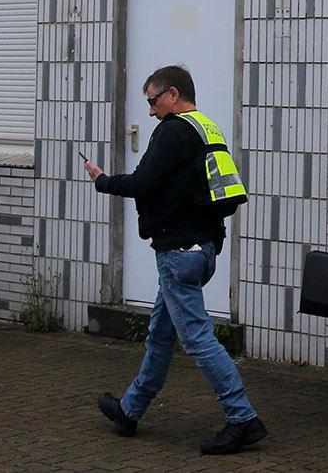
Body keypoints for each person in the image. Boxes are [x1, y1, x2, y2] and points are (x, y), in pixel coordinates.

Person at [83, 65, 267, 456]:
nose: (150, 111)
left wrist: (103, 181)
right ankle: (130, 410)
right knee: (161, 335)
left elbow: (143, 183)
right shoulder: (207, 128)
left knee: (198, 339)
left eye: (153, 101)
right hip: (204, 249)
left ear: (173, 94)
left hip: (178, 254)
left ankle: (242, 418)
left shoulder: (171, 131)